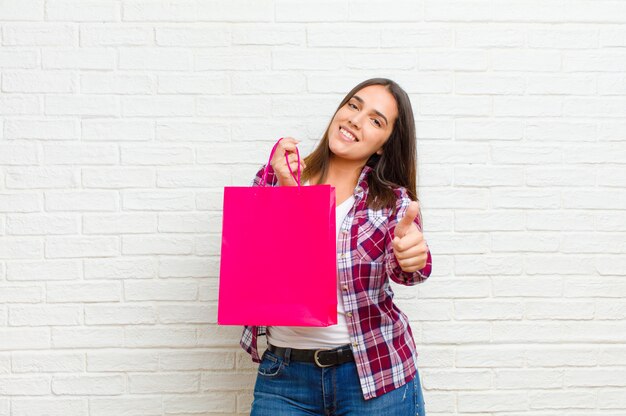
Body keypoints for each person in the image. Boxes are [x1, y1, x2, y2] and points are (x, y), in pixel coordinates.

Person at [240, 78, 433, 415]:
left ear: (384, 145)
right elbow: (256, 270)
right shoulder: (274, 178)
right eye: (353, 106)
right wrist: (288, 194)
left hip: (375, 376)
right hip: (284, 378)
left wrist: (411, 256)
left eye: (376, 120)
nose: (356, 120)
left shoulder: (392, 203)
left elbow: (408, 269)